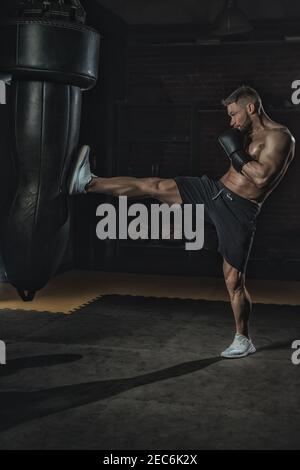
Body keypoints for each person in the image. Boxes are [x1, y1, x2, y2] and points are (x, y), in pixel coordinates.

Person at [67, 86, 295, 358]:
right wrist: (237, 149)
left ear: (251, 108)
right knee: (155, 185)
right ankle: (87, 183)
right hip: (214, 191)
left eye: (234, 114)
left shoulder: (280, 137)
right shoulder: (248, 134)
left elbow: (260, 178)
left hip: (240, 211)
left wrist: (235, 152)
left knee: (233, 280)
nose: (231, 121)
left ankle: (243, 338)